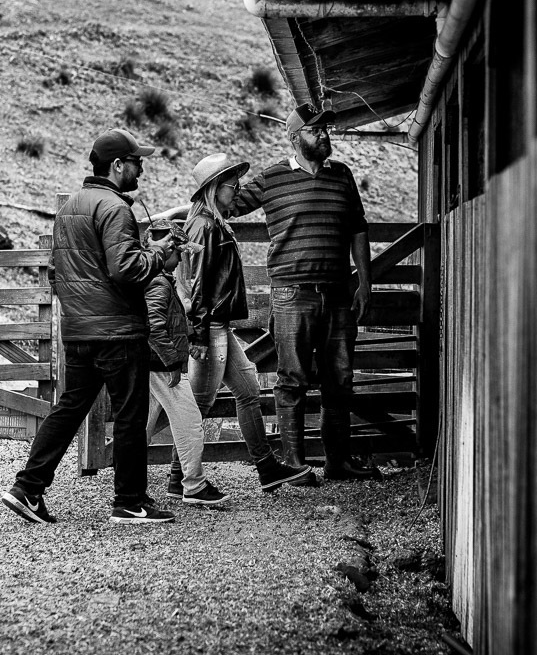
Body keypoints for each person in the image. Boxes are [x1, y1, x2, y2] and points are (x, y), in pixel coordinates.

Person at [1, 128, 179, 525]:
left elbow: (56, 272)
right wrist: (158, 256)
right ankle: (130, 502)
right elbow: (125, 269)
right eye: (137, 162)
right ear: (117, 166)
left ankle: (27, 488)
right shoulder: (115, 208)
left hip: (79, 332)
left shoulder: (70, 209)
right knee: (131, 415)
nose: (141, 170)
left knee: (69, 408)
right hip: (118, 332)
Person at [227, 105, 382, 481]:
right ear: (295, 138)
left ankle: (338, 462)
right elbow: (227, 205)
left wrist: (365, 283)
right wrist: (207, 192)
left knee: (340, 379)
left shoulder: (342, 175)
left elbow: (358, 230)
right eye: (316, 131)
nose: (325, 135)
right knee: (292, 379)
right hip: (292, 294)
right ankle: (295, 464)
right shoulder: (272, 178)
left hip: (338, 295)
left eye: (326, 129)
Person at [182, 153, 314, 491]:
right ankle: (180, 478)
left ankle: (266, 468)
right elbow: (195, 283)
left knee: (248, 390)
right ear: (214, 188)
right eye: (232, 184)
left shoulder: (214, 223)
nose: (237, 189)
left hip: (218, 326)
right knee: (199, 405)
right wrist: (197, 335)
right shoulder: (204, 225)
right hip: (209, 329)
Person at [143, 219, 229, 506]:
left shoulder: (156, 280)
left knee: (140, 428)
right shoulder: (158, 282)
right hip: (161, 366)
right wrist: (171, 363)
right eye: (178, 252)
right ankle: (193, 485)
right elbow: (154, 327)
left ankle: (129, 487)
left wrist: (189, 335)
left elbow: (165, 322)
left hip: (152, 365)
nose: (181, 259)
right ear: (167, 250)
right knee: (191, 422)